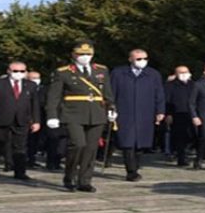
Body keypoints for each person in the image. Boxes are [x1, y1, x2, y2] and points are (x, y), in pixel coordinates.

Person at [47, 41, 115, 191]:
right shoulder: (63, 72)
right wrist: (52, 115)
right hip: (73, 113)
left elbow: (107, 93)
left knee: (91, 148)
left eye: (88, 54)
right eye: (81, 54)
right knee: (77, 145)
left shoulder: (101, 70)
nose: (85, 57)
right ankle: (69, 176)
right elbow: (54, 96)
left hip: (96, 113)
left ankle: (84, 181)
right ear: (73, 55)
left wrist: (111, 108)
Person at [110, 48, 165, 182]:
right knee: (127, 142)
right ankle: (131, 171)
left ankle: (136, 166)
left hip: (145, 113)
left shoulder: (153, 74)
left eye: (145, 59)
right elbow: (111, 92)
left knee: (141, 144)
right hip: (125, 112)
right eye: (138, 59)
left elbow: (159, 94)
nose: (142, 61)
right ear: (130, 59)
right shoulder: (118, 73)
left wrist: (160, 111)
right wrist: (111, 108)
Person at [0, 61, 41, 180]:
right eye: (15, 71)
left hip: (22, 120)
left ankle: (20, 171)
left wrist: (36, 121)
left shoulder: (30, 85)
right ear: (8, 71)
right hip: (1, 119)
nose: (18, 73)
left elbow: (35, 104)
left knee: (20, 147)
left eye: (22, 71)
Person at [165, 66, 195, 167]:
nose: (184, 74)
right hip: (177, 113)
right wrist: (168, 114)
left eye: (186, 72)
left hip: (192, 114)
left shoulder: (193, 84)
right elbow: (167, 100)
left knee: (191, 135)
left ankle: (186, 153)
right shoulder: (170, 85)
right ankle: (181, 157)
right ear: (176, 74)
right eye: (181, 72)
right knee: (180, 137)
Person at [26, 70, 46, 168]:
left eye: (37, 78)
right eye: (33, 78)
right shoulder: (25, 88)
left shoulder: (43, 89)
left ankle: (31, 159)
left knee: (35, 141)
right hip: (26, 118)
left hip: (40, 118)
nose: (36, 80)